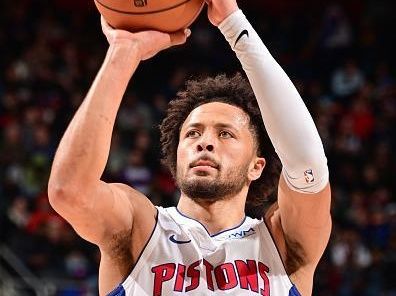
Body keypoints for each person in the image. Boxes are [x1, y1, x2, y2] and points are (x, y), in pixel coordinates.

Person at [48, 0, 331, 295]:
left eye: (225, 134)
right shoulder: (139, 228)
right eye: (192, 133)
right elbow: (68, 190)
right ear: (177, 156)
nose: (204, 142)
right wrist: (123, 51)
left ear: (256, 165)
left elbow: (307, 166)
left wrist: (234, 24)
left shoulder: (282, 242)